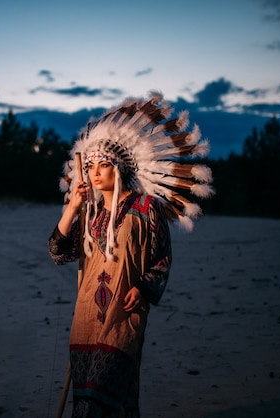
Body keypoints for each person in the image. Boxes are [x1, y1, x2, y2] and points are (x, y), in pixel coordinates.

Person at [49, 92, 214, 418]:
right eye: (91, 165)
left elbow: (161, 259)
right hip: (84, 321)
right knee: (99, 403)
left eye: (103, 164)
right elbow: (58, 252)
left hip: (123, 317)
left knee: (100, 399)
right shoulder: (88, 212)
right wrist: (72, 209)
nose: (95, 172)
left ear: (120, 167)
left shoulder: (146, 208)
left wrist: (143, 287)